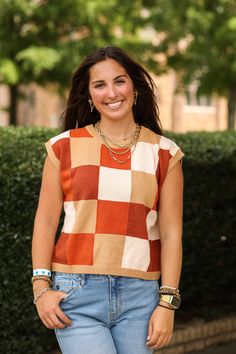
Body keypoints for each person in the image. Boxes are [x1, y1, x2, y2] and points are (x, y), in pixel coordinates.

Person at [31, 46, 184, 354]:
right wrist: (40, 289)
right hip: (76, 293)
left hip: (141, 297)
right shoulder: (63, 148)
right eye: (99, 85)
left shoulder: (165, 154)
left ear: (135, 87)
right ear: (88, 96)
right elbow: (46, 223)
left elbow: (171, 234)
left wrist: (168, 303)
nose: (111, 92)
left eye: (119, 81)